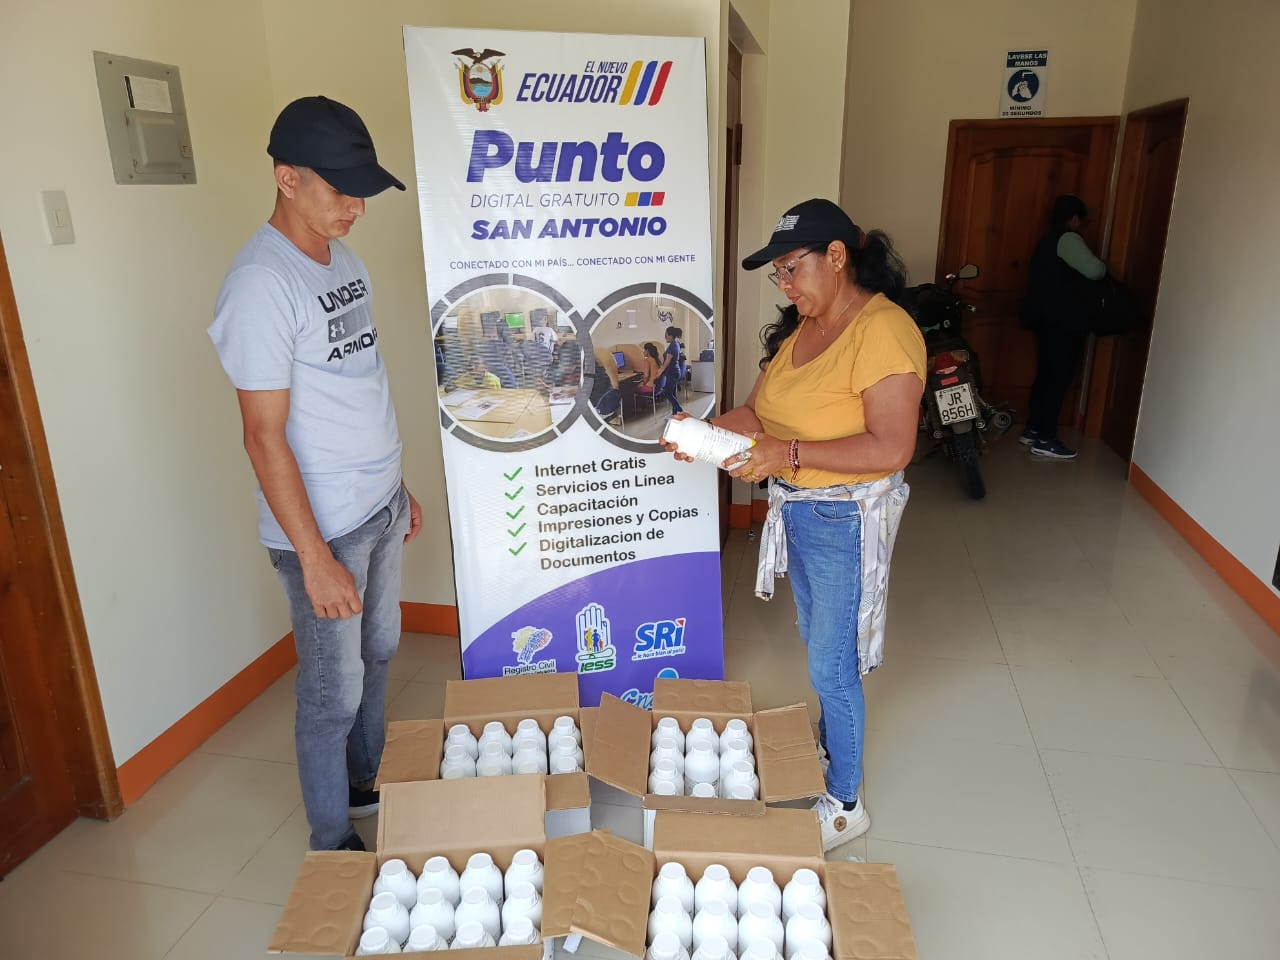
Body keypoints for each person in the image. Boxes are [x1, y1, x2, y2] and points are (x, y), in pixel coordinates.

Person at [663, 198, 924, 851]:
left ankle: (845, 803)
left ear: (836, 257)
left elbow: (892, 446)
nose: (783, 284)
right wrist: (706, 435)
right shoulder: (800, 329)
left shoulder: (884, 330)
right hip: (801, 511)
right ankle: (831, 744)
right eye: (776, 273)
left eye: (791, 268)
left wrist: (791, 456)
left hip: (844, 517)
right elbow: (758, 415)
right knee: (819, 643)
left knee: (833, 664)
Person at [208, 96, 424, 852]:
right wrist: (313, 557)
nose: (356, 208)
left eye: (362, 191)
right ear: (287, 177)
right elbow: (262, 436)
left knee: (380, 653)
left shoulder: (343, 260)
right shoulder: (260, 285)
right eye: (341, 190)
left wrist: (398, 487)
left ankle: (365, 782)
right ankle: (331, 842)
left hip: (378, 503)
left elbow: (357, 384)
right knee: (333, 695)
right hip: (324, 527)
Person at [1019, 194, 1107, 460]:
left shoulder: (1046, 240)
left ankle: (1033, 429)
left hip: (1044, 319)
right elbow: (1095, 270)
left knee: (1046, 375)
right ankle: (1046, 438)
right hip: (1063, 322)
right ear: (1075, 219)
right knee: (1059, 377)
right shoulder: (1068, 239)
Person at [655, 325, 684, 414]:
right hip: (674, 372)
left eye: (666, 335)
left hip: (672, 373)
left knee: (667, 393)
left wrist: (660, 372)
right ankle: (674, 413)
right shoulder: (675, 344)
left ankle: (679, 409)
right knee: (673, 393)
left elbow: (667, 362)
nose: (665, 337)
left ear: (671, 336)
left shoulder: (672, 346)